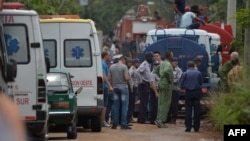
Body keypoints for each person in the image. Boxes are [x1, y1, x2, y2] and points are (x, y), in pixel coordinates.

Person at [179, 61, 203, 132]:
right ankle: (196, 127)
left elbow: (181, 84)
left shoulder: (185, 73)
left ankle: (188, 127)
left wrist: (185, 87)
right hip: (196, 92)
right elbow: (201, 82)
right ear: (193, 66)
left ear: (187, 66)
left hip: (188, 92)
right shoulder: (198, 73)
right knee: (197, 110)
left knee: (188, 110)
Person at [109, 56, 131, 129]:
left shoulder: (111, 67)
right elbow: (126, 78)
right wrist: (129, 76)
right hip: (123, 88)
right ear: (123, 59)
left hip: (115, 88)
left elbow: (109, 78)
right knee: (124, 106)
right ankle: (123, 124)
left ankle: (114, 123)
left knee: (116, 106)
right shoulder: (124, 67)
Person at [154, 50, 174, 128]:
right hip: (166, 85)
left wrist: (161, 77)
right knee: (165, 103)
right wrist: (169, 79)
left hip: (161, 84)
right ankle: (161, 120)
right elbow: (166, 71)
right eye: (172, 55)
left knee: (160, 103)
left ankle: (158, 119)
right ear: (169, 55)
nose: (173, 56)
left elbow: (156, 70)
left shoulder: (163, 63)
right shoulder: (168, 64)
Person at [136, 51, 155, 124]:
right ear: (147, 57)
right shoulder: (144, 64)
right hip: (143, 85)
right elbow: (137, 72)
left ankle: (142, 118)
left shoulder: (148, 64)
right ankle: (141, 119)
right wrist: (142, 80)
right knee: (144, 102)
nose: (152, 58)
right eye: (151, 57)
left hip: (146, 85)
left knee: (145, 102)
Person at [167, 58, 183, 124]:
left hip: (175, 90)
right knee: (168, 105)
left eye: (172, 62)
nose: (171, 64)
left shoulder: (179, 70)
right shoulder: (169, 69)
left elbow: (178, 80)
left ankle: (174, 118)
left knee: (174, 105)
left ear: (176, 63)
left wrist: (170, 81)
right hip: (168, 90)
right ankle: (168, 118)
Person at [101, 51, 113, 127]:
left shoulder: (103, 64)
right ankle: (102, 121)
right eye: (109, 55)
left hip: (104, 86)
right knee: (104, 105)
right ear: (105, 56)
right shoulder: (103, 64)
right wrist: (109, 86)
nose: (110, 56)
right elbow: (103, 75)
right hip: (104, 86)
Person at [127, 58, 141, 123]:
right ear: (135, 63)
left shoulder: (135, 69)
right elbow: (129, 78)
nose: (139, 64)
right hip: (132, 88)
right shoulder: (132, 69)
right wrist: (131, 86)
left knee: (132, 103)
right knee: (131, 103)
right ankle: (129, 117)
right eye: (138, 63)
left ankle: (130, 117)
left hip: (135, 87)